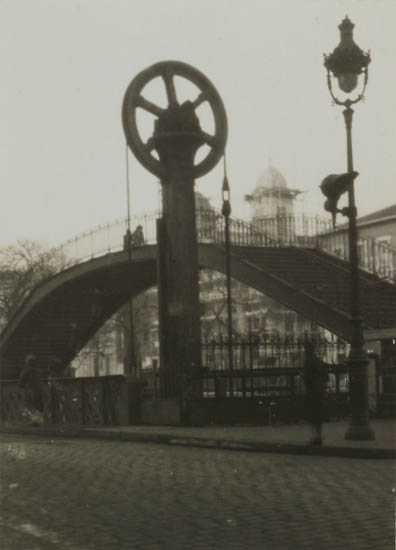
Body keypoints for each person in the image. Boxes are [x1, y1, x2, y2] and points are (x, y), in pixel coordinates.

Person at [303, 342, 329, 445]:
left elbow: (307, 376)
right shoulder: (319, 361)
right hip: (321, 389)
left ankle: (314, 437)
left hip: (312, 390)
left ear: (306, 351)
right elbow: (326, 376)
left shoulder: (308, 360)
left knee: (312, 414)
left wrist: (302, 376)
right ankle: (319, 435)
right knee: (319, 413)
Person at [18, 354, 44, 425]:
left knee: (28, 406)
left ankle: (33, 421)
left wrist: (21, 386)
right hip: (39, 390)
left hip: (29, 390)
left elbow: (21, 382)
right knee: (38, 406)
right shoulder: (39, 371)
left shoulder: (26, 370)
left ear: (27, 362)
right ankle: (37, 421)